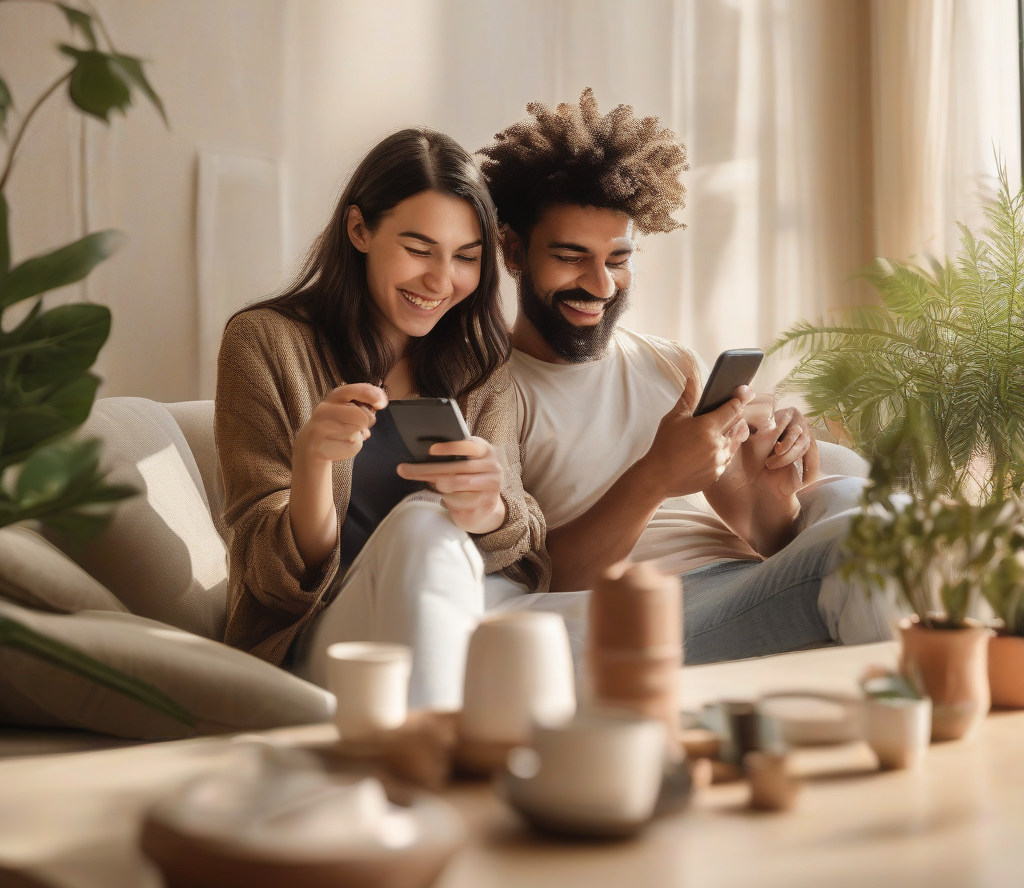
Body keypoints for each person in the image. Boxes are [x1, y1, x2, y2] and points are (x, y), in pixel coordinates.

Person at [476, 90, 896, 663]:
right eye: (571, 257)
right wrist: (655, 476)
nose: (600, 285)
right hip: (652, 609)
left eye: (618, 260)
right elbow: (546, 578)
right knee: (868, 545)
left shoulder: (669, 365)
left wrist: (775, 492)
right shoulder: (492, 390)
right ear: (514, 251)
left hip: (747, 581)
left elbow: (769, 536)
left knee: (858, 502)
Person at [215, 129, 548, 708]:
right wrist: (313, 465)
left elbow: (522, 538)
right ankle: (430, 760)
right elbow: (267, 576)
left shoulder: (479, 364)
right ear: (359, 229)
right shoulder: (265, 342)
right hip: (332, 636)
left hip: (465, 611)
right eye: (419, 249)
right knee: (424, 523)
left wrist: (488, 509)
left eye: (466, 258)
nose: (441, 282)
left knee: (622, 616)